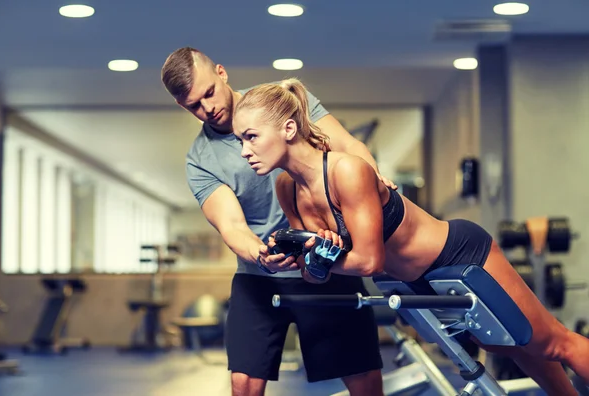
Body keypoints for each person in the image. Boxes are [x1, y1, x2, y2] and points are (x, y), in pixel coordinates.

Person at [232, 77, 589, 396]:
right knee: (510, 345)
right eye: (240, 141)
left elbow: (371, 261)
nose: (245, 151)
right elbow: (314, 275)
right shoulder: (287, 189)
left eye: (251, 137)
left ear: (289, 129)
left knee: (553, 343)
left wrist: (325, 256)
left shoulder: (347, 171)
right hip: (416, 280)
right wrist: (302, 259)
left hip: (457, 255)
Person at [160, 47, 398, 396]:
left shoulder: (281, 102)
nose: (207, 107)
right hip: (260, 277)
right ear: (183, 106)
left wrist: (375, 180)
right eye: (195, 104)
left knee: (364, 381)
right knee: (243, 384)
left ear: (222, 73)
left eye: (209, 92)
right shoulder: (200, 160)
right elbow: (232, 226)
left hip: (325, 261)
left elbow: (346, 145)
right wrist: (261, 254)